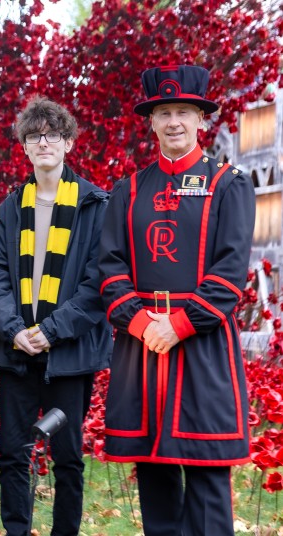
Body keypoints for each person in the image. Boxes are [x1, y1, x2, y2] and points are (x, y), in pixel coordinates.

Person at [99, 65, 254, 536]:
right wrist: (142, 323)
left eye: (183, 112)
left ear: (201, 119)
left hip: (203, 347)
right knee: (154, 474)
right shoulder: (128, 190)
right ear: (151, 121)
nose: (173, 122)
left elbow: (230, 273)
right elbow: (110, 269)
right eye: (164, 112)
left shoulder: (229, 183)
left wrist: (180, 324)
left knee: (207, 473)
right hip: (141, 347)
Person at [0, 97, 112, 536]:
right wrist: (15, 331)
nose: (43, 143)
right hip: (18, 352)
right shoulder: (10, 208)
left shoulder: (95, 205)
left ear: (68, 143)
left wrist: (51, 331)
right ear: (24, 147)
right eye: (34, 137)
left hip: (68, 354)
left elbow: (98, 284)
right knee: (12, 452)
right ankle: (16, 530)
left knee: (68, 457)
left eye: (53, 135)